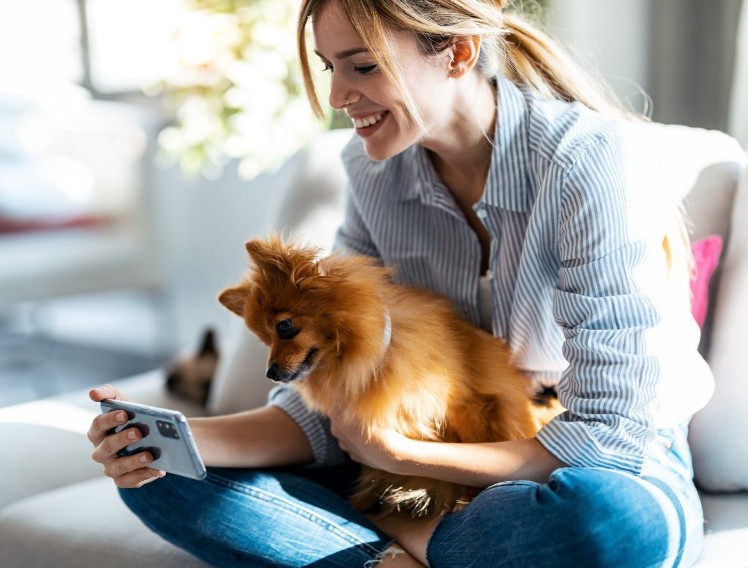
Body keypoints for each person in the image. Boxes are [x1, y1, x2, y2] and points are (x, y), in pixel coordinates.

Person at [88, 0, 712, 566]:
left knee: (608, 525)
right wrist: (166, 437)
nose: (337, 94)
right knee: (162, 478)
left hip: (593, 464)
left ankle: (387, 546)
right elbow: (330, 406)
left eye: (361, 67)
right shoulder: (372, 174)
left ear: (459, 53)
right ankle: (416, 551)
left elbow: (606, 439)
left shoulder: (582, 161)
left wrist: (400, 459)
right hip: (413, 465)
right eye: (329, 66)